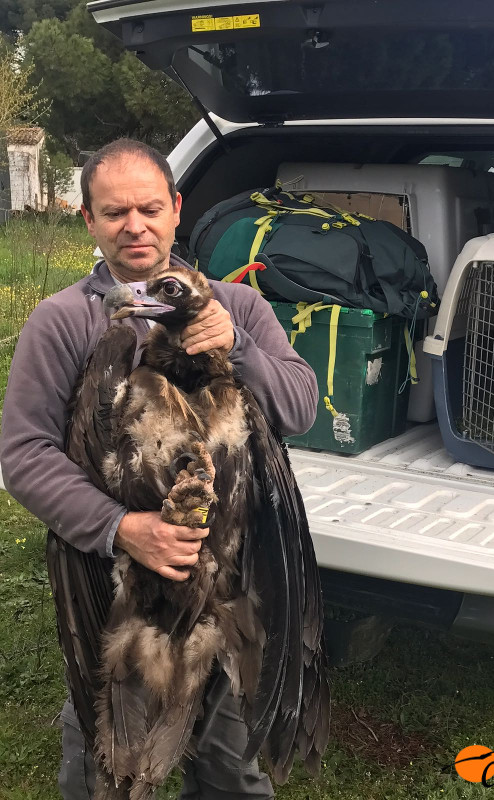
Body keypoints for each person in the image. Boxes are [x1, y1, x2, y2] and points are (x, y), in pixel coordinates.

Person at [0, 138, 318, 799]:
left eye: (148, 208)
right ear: (88, 220)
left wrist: (243, 348)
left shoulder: (240, 307)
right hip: (119, 595)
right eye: (114, 212)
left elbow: (301, 408)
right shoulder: (63, 323)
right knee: (110, 771)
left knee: (233, 770)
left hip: (232, 585)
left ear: (175, 210)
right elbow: (24, 453)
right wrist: (121, 527)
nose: (134, 225)